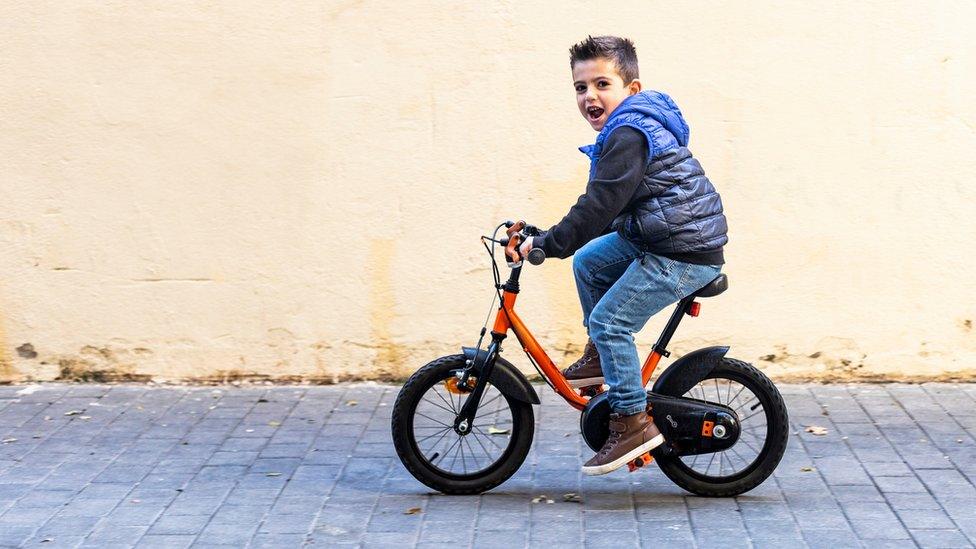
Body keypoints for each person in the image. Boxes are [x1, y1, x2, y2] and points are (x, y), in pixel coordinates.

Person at [518, 35, 728, 475]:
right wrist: (546, 235)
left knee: (611, 321)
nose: (589, 95)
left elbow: (599, 207)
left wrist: (548, 244)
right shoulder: (627, 128)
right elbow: (608, 207)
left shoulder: (629, 132)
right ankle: (600, 358)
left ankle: (632, 422)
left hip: (682, 250)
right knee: (589, 262)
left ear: (631, 90)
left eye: (601, 84)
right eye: (580, 87)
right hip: (662, 235)